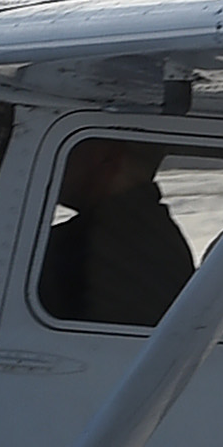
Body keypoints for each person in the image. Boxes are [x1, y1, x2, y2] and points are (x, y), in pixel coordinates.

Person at [38, 138, 195, 326]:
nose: (52, 161)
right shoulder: (144, 233)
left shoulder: (108, 241)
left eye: (67, 149)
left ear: (105, 155)